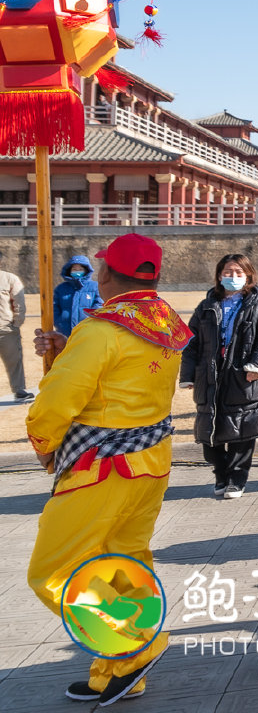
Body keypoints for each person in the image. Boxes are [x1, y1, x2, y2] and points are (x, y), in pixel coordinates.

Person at [26, 233, 191, 704]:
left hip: (101, 465)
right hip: (150, 462)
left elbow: (60, 399)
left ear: (104, 274)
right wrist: (68, 344)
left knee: (55, 571)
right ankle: (118, 671)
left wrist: (43, 441)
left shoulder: (101, 330)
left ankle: (136, 648)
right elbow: (124, 374)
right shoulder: (163, 321)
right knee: (125, 564)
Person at [180, 254, 258, 499]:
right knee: (210, 430)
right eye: (228, 272)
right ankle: (220, 473)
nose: (233, 277)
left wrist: (257, 367)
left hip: (243, 374)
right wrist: (189, 374)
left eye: (238, 273)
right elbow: (191, 341)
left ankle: (237, 477)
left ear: (248, 275)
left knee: (242, 429)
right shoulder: (207, 305)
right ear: (219, 275)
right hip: (211, 374)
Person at [0, 264, 31, 401]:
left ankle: (19, 389)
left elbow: (19, 301)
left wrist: (16, 323)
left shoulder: (9, 278)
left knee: (14, 360)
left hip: (6, 328)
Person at [53, 254, 102, 336]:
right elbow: (54, 307)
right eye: (74, 269)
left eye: (80, 269)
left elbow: (99, 304)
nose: (77, 271)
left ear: (86, 270)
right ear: (69, 271)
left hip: (88, 331)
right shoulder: (61, 288)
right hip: (65, 332)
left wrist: (91, 320)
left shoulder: (95, 287)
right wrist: (59, 322)